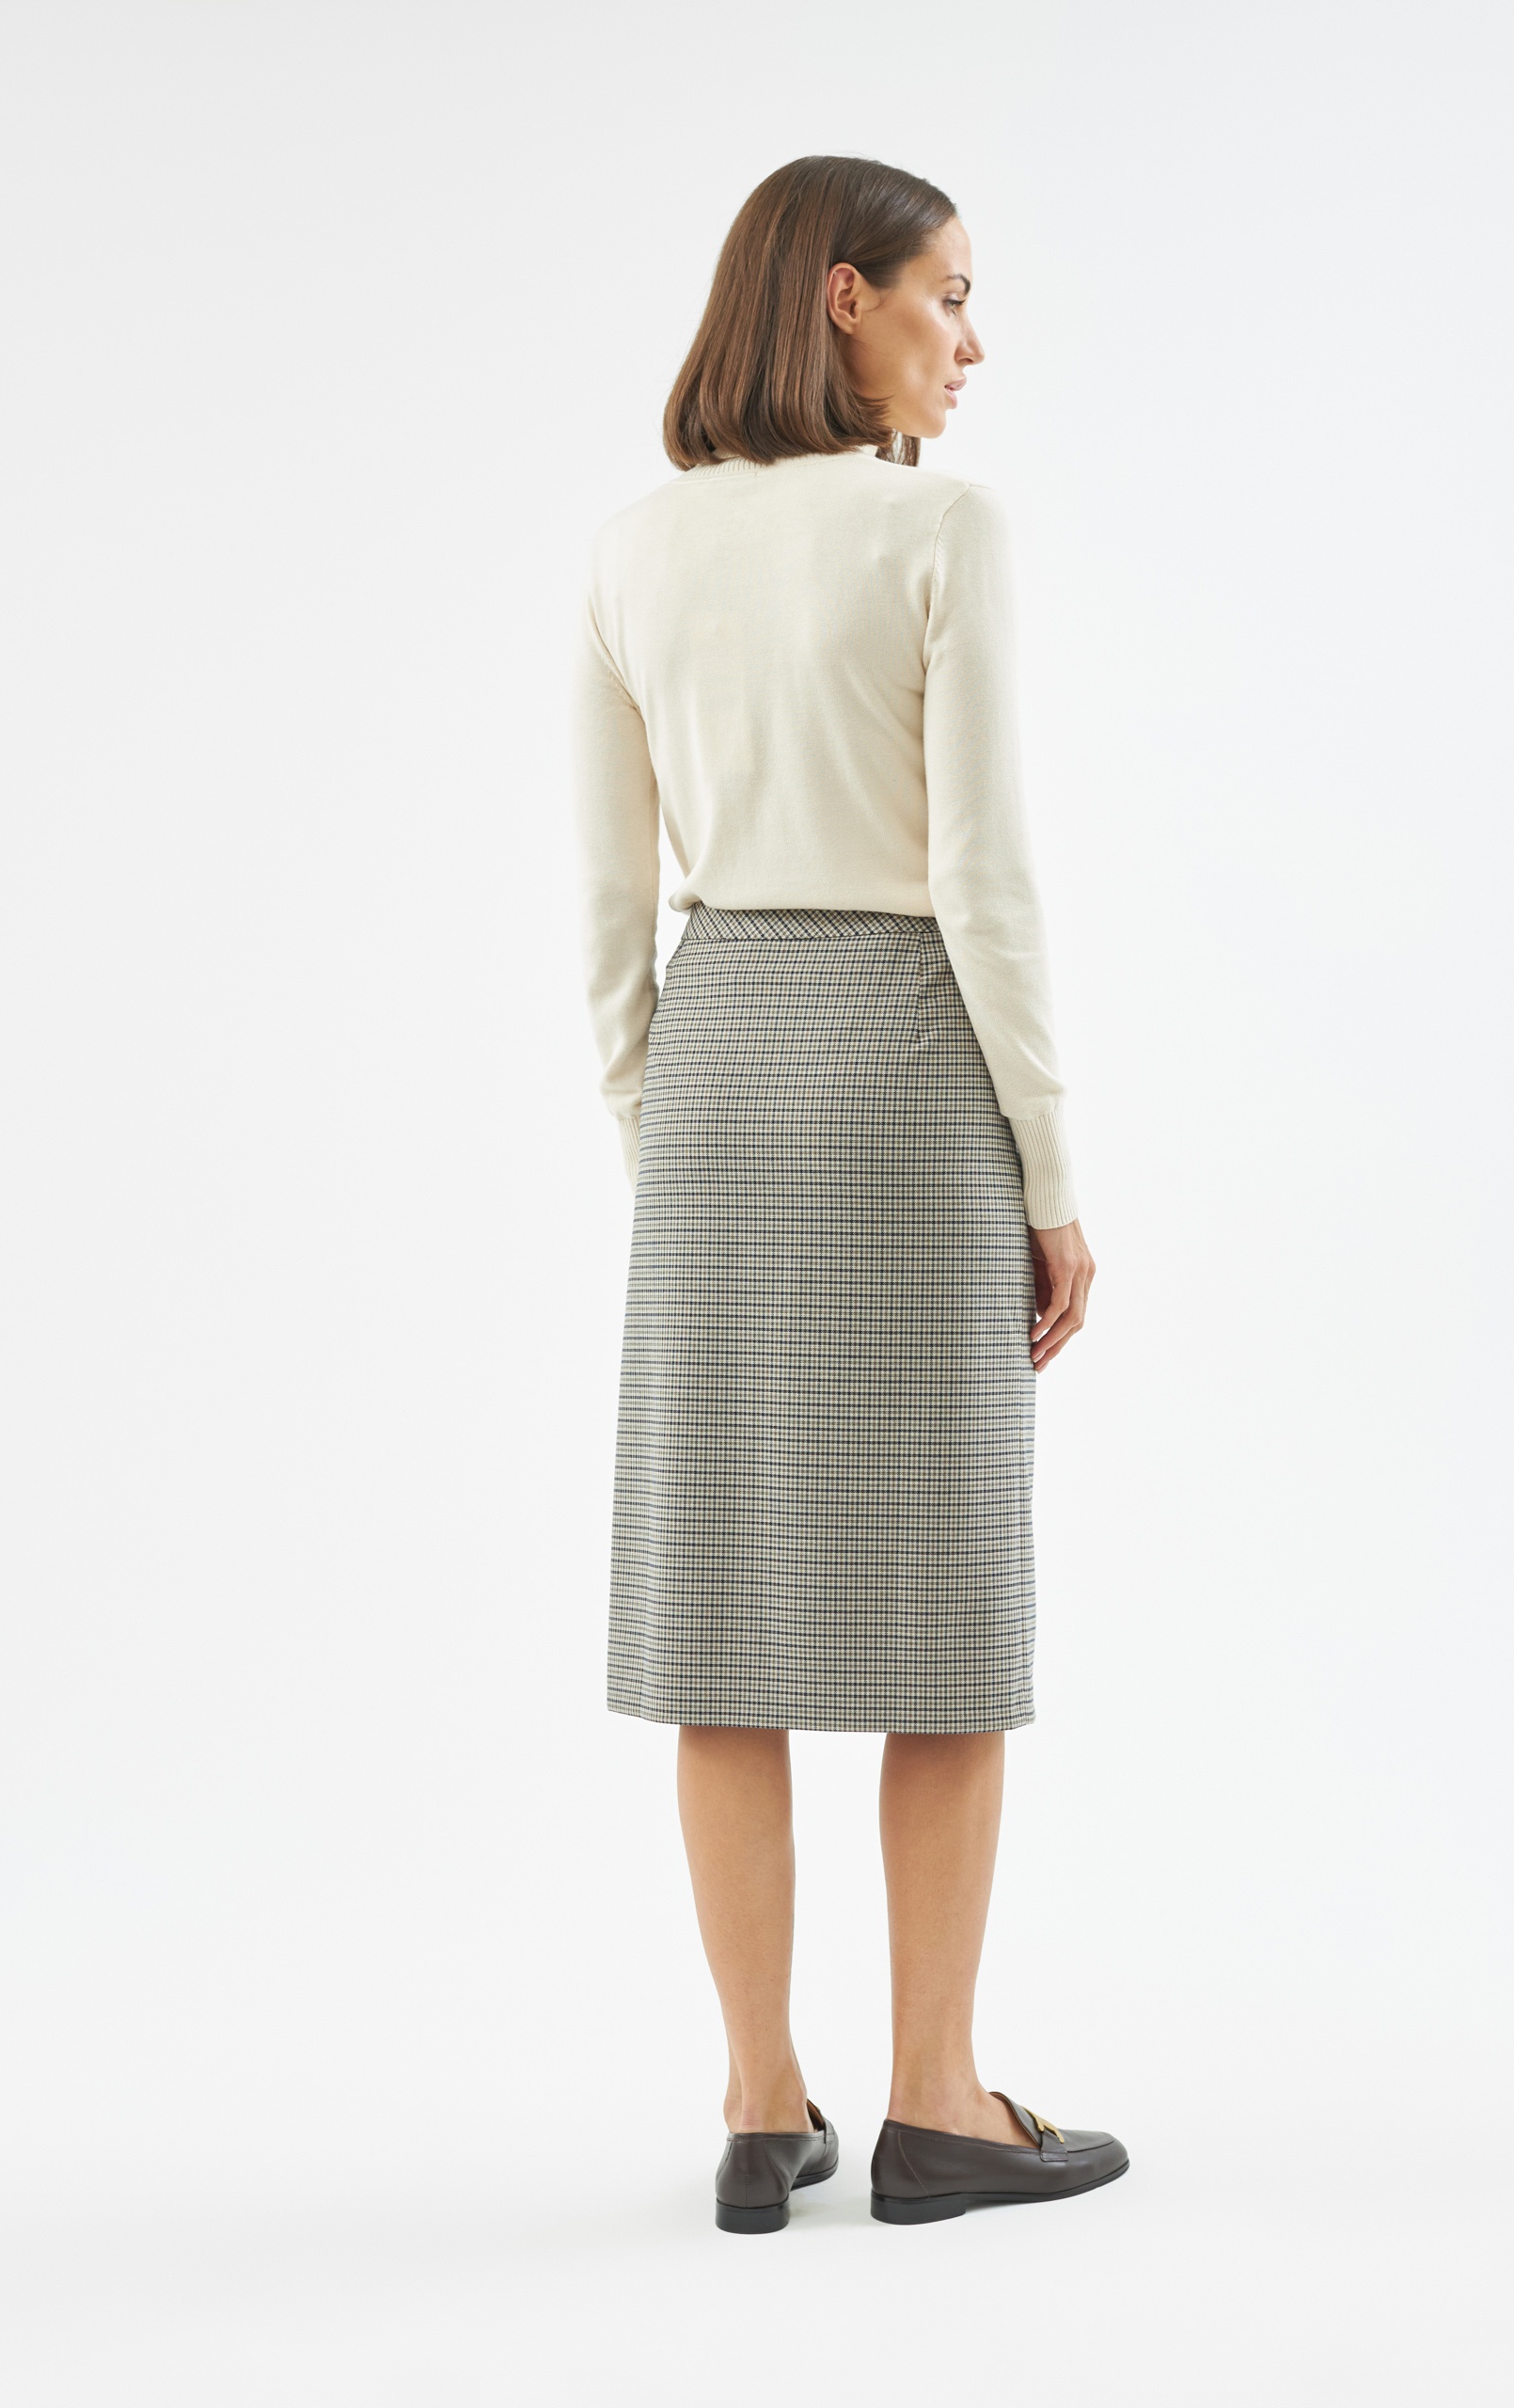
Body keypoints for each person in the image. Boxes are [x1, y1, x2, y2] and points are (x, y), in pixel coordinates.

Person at [569, 154, 1128, 2232]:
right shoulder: (938, 528)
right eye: (947, 295)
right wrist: (1052, 1175)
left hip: (722, 1056)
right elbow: (983, 877)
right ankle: (939, 2103)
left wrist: (668, 1137)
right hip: (906, 1056)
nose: (971, 342)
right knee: (941, 1606)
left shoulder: (634, 548)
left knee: (721, 1606)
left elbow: (608, 906)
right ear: (840, 296)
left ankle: (756, 2102)